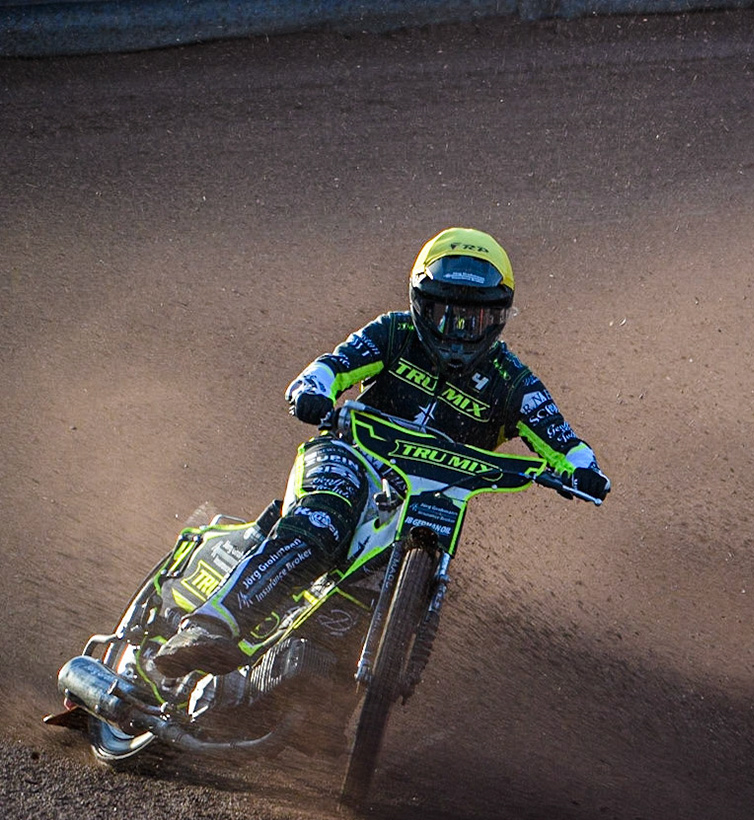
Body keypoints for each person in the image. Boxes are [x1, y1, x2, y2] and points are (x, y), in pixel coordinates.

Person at [154, 228, 610, 678]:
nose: (456, 330)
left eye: (473, 319)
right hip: (350, 457)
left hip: (433, 501)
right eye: (443, 312)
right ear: (418, 303)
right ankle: (209, 626)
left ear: (499, 317)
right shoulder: (394, 333)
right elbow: (331, 366)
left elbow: (562, 439)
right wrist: (313, 390)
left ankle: (323, 694)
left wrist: (583, 470)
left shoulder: (513, 382)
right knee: (326, 516)